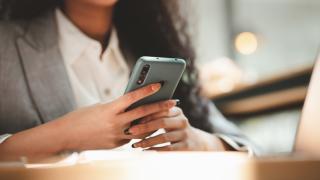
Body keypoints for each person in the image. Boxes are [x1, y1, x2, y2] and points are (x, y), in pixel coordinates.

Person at [0, 0, 258, 159]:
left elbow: (252, 150)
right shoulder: (7, 47)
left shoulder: (154, 47)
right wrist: (66, 134)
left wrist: (199, 142)